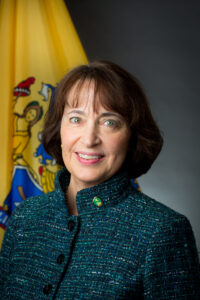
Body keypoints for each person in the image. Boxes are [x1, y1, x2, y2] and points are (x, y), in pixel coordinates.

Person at [0, 61, 199, 299]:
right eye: (76, 119)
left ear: (132, 136)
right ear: (59, 129)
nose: (89, 139)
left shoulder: (162, 231)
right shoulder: (25, 217)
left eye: (109, 122)